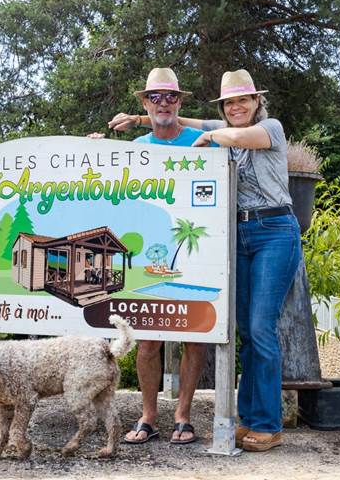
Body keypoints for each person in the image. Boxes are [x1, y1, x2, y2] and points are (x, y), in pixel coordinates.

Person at [110, 69, 301, 452]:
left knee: (262, 328)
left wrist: (210, 134)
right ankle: (249, 419)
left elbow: (220, 133)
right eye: (229, 103)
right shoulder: (219, 128)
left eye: (243, 100)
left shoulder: (269, 129)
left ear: (257, 102)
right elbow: (178, 119)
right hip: (237, 235)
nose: (236, 107)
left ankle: (268, 423)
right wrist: (138, 120)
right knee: (246, 329)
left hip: (273, 230)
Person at [104, 67, 212, 445]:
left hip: (195, 252)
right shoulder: (136, 148)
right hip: (146, 258)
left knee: (194, 337)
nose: (163, 103)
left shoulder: (204, 142)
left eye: (170, 97)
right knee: (148, 339)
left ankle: (183, 415)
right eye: (155, 97)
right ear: (145, 103)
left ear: (179, 102)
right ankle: (149, 416)